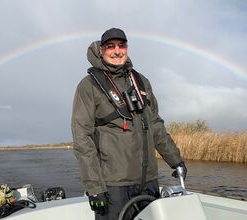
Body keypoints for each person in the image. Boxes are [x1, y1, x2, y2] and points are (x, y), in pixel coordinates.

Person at [71, 28, 187, 220]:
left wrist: (176, 160)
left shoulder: (142, 82)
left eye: (121, 45)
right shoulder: (88, 86)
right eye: (110, 46)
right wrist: (94, 187)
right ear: (101, 50)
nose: (117, 51)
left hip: (148, 182)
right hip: (113, 186)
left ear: (127, 48)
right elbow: (82, 138)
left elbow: (156, 125)